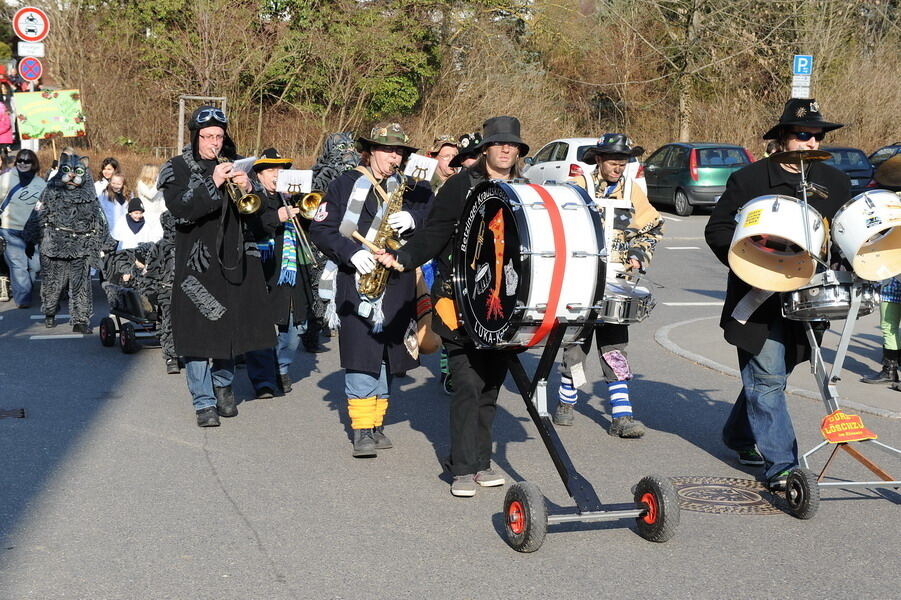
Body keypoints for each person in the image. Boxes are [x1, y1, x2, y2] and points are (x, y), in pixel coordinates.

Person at [375, 115, 528, 496]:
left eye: (513, 145)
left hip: (501, 305)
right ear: (485, 149)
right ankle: (462, 468)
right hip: (458, 299)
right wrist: (404, 257)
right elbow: (435, 231)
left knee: (490, 386)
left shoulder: (524, 190)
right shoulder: (461, 185)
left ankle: (481, 460)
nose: (506, 149)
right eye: (499, 144)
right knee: (467, 385)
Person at [704, 98, 850, 491]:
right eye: (802, 135)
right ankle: (783, 468)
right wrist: (751, 260)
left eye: (817, 136)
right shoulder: (749, 180)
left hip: (810, 298)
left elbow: (842, 237)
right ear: (783, 138)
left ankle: (738, 436)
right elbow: (717, 230)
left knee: (775, 376)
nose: (810, 142)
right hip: (759, 299)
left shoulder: (835, 183)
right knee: (767, 379)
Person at [309, 122, 433, 457]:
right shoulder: (344, 183)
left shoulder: (411, 187)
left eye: (400, 151)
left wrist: (414, 218)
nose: (395, 157)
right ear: (371, 150)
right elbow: (321, 229)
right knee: (362, 356)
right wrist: (352, 253)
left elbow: (434, 215)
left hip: (396, 281)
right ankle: (362, 429)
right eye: (388, 150)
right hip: (358, 279)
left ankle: (377, 423)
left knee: (389, 357)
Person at [158, 105, 276, 427]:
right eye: (207, 136)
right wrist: (212, 182)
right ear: (196, 136)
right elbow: (180, 210)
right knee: (198, 331)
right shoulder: (177, 167)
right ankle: (203, 401)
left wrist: (251, 188)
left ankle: (224, 386)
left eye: (219, 136)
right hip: (197, 261)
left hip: (235, 257)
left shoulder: (237, 165)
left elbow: (260, 213)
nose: (214, 142)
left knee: (228, 325)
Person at [553, 133, 663, 438]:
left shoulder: (632, 190)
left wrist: (640, 253)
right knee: (576, 344)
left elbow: (652, 226)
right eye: (613, 162)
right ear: (598, 160)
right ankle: (566, 401)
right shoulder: (579, 187)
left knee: (615, 345)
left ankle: (621, 415)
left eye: (623, 163)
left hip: (618, 279)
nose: (619, 168)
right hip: (582, 277)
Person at [248, 148, 315, 393]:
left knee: (294, 328)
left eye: (280, 170)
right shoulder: (254, 197)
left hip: (291, 270)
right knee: (262, 327)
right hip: (264, 268)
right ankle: (264, 379)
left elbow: (309, 226)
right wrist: (277, 216)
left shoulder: (292, 196)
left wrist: (304, 208)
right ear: (259, 176)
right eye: (271, 170)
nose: (276, 174)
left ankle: (281, 366)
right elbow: (253, 226)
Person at [39, 153, 112, 332]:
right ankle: (49, 311)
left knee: (81, 286)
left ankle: (81, 321)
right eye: (67, 171)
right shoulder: (51, 191)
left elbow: (100, 219)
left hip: (81, 246)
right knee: (54, 284)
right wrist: (30, 237)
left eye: (77, 171)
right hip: (55, 245)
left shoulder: (89, 195)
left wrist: (106, 243)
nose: (72, 176)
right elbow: (39, 214)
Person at [0, 149, 47, 308]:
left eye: (27, 161)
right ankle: (23, 298)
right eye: (20, 160)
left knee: (35, 266)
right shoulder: (6, 178)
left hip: (33, 232)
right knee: (18, 265)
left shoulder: (41, 184)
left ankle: (24, 288)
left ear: (33, 163)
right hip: (9, 229)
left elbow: (47, 206)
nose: (23, 163)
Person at [135, 164, 165, 228]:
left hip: (158, 215)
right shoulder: (141, 183)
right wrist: (158, 182)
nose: (158, 174)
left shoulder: (157, 185)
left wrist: (166, 212)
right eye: (156, 172)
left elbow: (161, 200)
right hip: (146, 215)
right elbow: (150, 195)